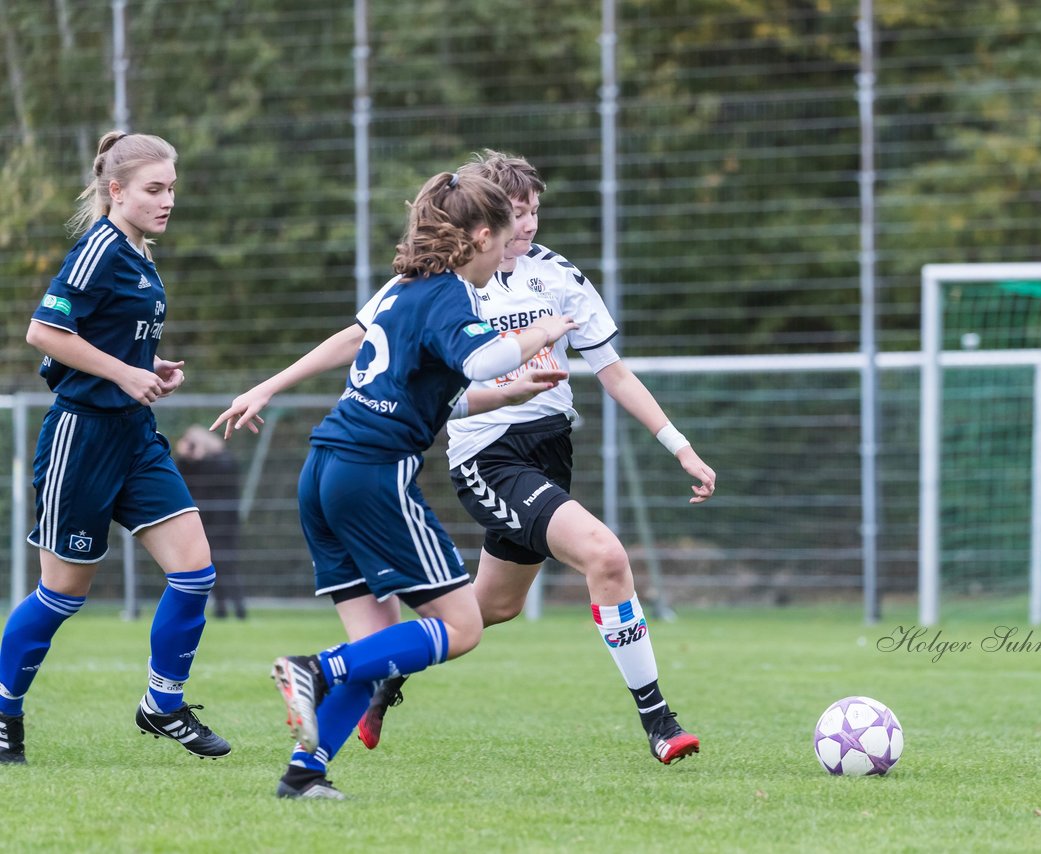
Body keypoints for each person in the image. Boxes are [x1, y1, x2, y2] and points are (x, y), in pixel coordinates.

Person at [211, 170, 577, 799]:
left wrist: (506, 394)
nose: (511, 250)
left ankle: (305, 775)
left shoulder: (404, 292)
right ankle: (314, 670)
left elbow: (429, 396)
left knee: (379, 645)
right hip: (372, 475)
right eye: (507, 235)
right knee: (461, 627)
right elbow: (483, 357)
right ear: (482, 236)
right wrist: (542, 331)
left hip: (326, 468)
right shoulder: (450, 294)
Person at [356, 150, 717, 766]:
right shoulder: (445, 281)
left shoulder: (559, 277)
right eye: (516, 214)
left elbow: (614, 374)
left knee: (492, 607)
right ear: (484, 220)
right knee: (606, 556)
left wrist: (679, 445)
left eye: (534, 212)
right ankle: (660, 721)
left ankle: (385, 674)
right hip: (488, 458)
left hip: (550, 451)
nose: (527, 225)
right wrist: (271, 384)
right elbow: (364, 336)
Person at [0, 131, 230, 766]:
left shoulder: (138, 252)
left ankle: (162, 703)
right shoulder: (98, 248)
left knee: (195, 569)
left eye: (172, 189)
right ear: (117, 190)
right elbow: (44, 331)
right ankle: (3, 712)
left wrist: (147, 364)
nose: (167, 201)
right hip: (83, 437)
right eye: (155, 190)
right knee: (62, 595)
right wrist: (124, 373)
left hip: (134, 437)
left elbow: (107, 335)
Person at [175, 425, 247, 620]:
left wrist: (201, 456)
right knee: (207, 566)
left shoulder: (223, 460)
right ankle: (220, 609)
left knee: (226, 565)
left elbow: (218, 474)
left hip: (223, 524)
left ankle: (240, 609)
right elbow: (179, 477)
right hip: (202, 522)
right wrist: (184, 457)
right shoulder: (193, 464)